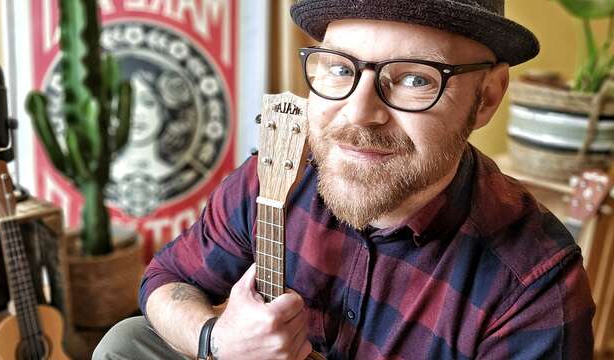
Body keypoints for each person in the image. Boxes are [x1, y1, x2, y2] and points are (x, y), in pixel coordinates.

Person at [93, 0, 596, 359]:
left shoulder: (532, 283)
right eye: (338, 68)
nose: (359, 114)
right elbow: (166, 280)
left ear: (486, 97)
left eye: (415, 78)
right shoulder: (277, 177)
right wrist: (215, 341)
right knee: (126, 341)